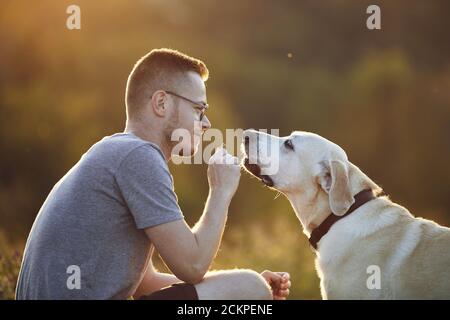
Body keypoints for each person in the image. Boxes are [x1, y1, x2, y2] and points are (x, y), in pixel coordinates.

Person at [16, 48, 291, 300]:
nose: (206, 123)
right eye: (199, 109)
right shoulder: (138, 156)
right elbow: (192, 266)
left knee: (249, 287)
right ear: (161, 103)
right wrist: (221, 191)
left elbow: (145, 282)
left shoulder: (116, 153)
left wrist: (231, 289)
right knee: (250, 288)